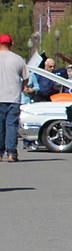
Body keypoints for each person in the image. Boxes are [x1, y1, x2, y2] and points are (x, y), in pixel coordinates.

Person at [0, 33, 29, 162]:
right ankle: (11, 153)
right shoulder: (18, 59)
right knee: (11, 125)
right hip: (13, 97)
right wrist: (21, 87)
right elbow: (26, 78)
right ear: (11, 44)